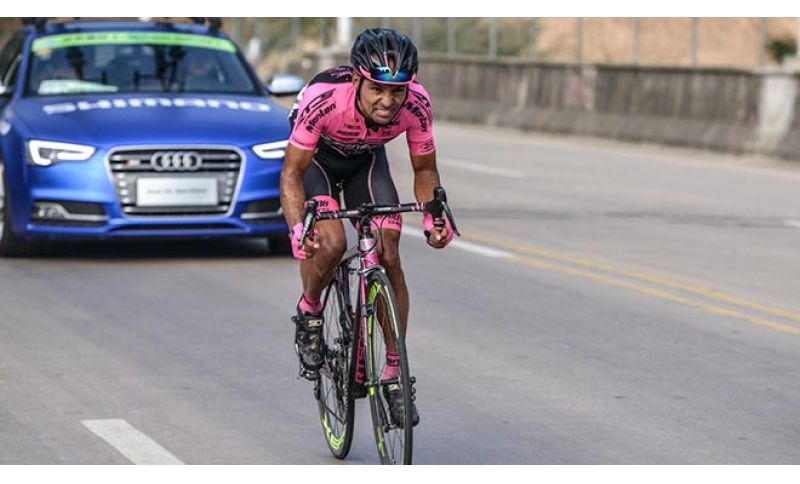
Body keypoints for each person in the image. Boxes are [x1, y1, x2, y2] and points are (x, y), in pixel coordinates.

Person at [280, 28, 453, 427]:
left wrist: (434, 217)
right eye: (377, 89)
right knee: (331, 243)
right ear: (357, 79)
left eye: (397, 92)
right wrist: (297, 229)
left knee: (389, 253)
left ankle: (393, 372)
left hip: (366, 161)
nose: (388, 102)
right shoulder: (324, 98)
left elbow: (425, 171)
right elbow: (291, 173)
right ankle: (310, 311)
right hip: (317, 162)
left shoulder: (417, 104)